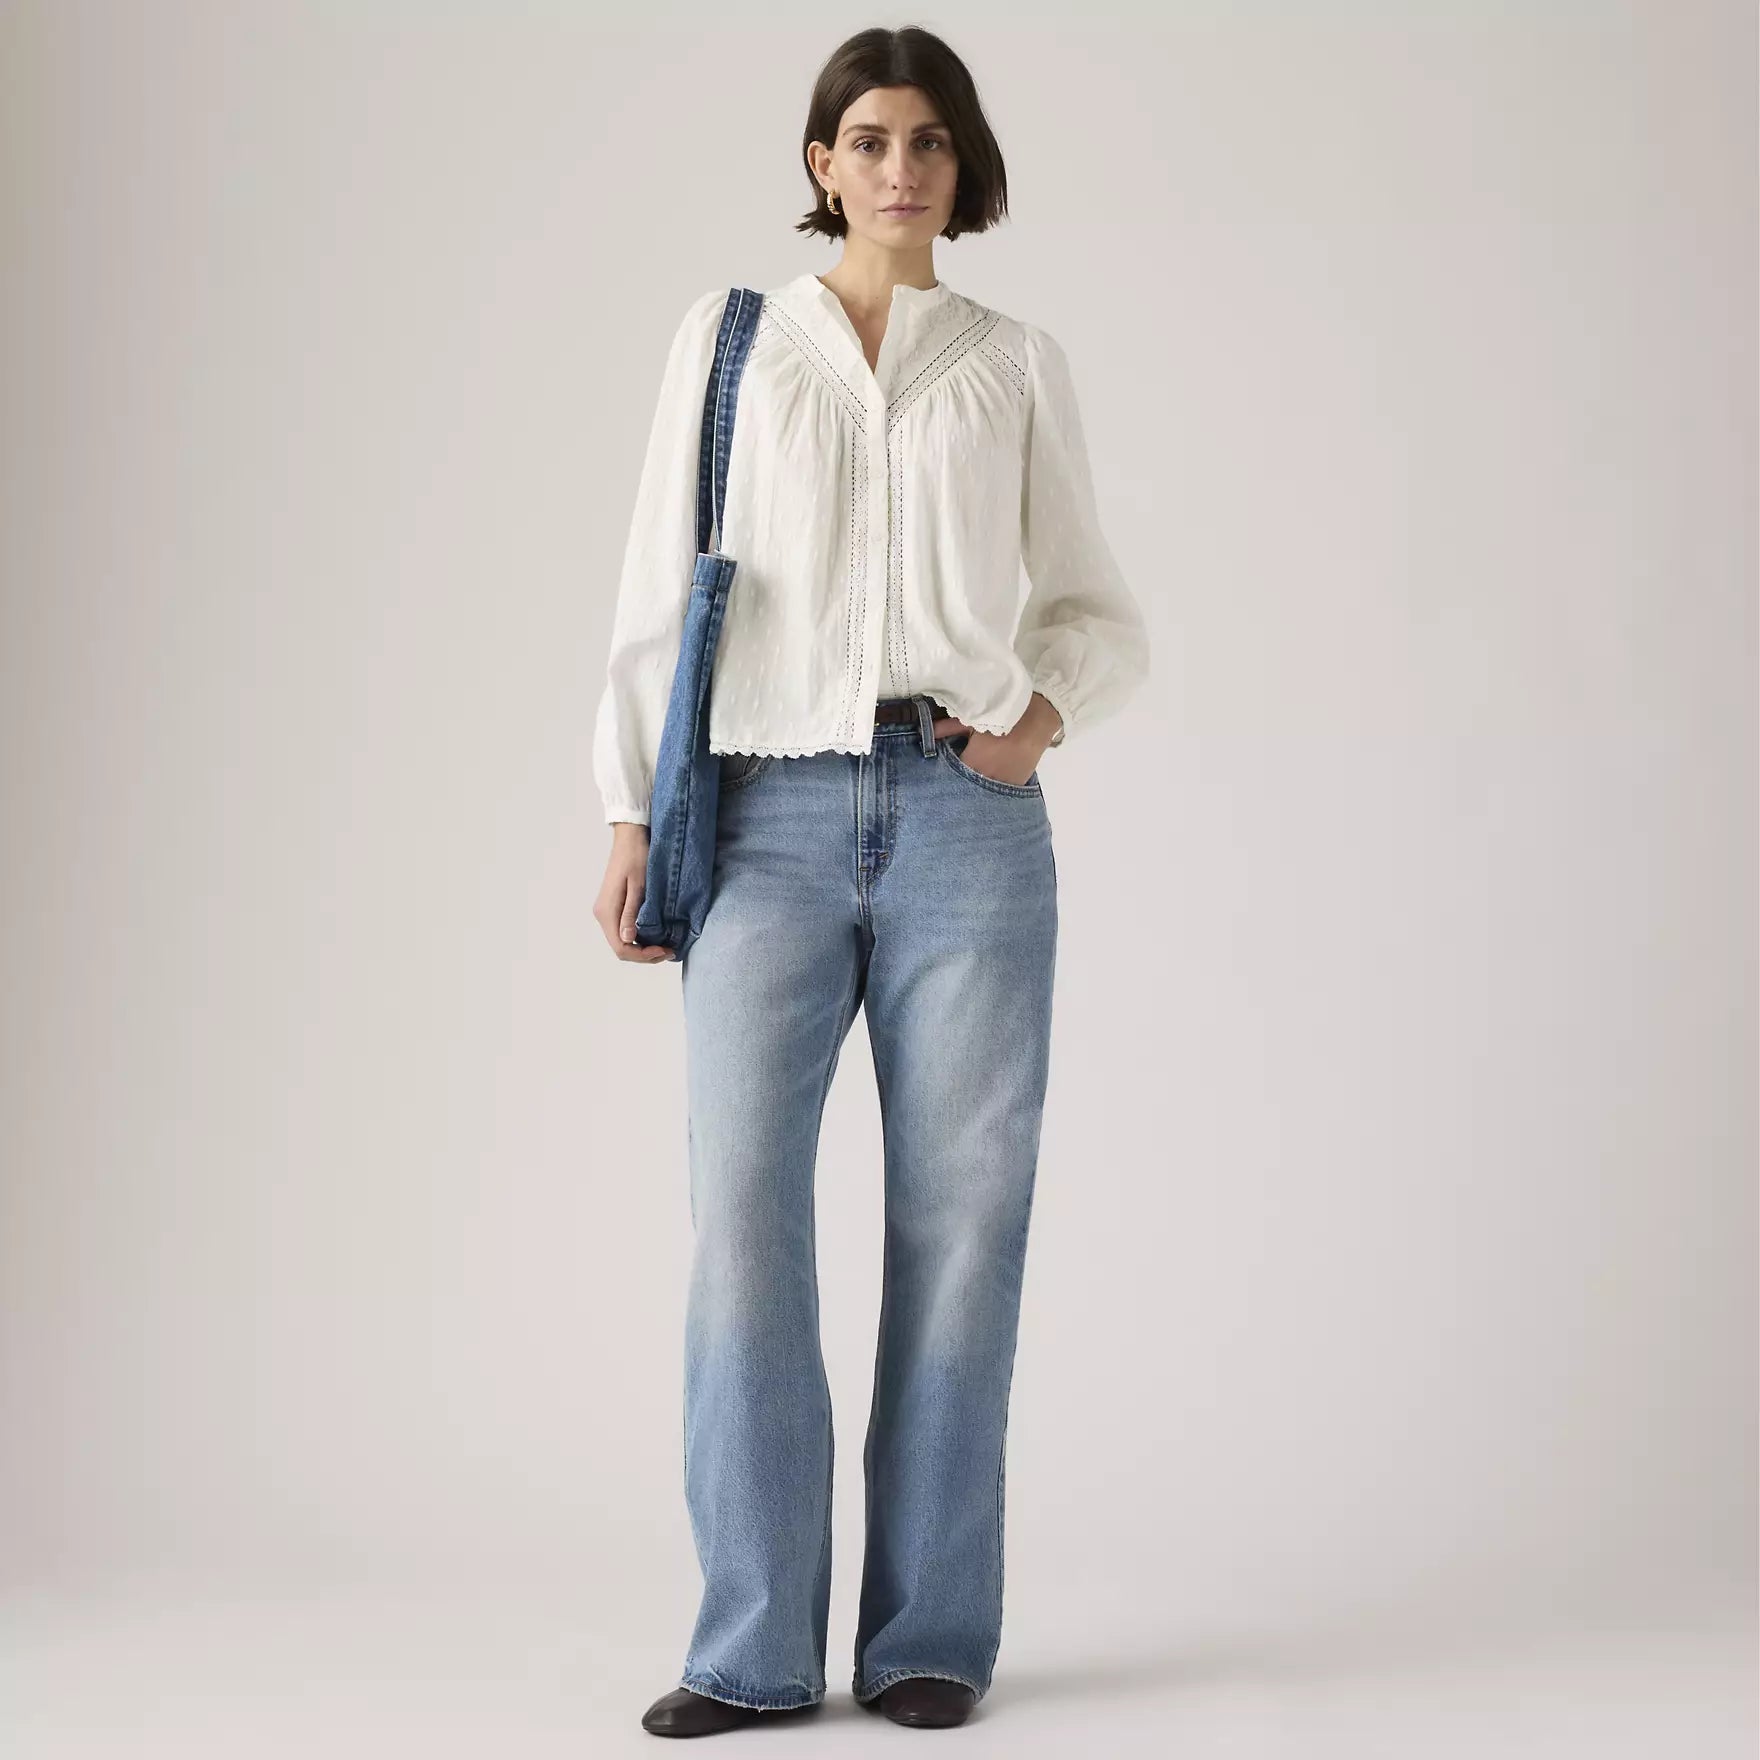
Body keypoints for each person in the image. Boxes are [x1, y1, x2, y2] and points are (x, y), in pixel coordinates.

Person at [591, 25, 1150, 1738]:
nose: (900, 167)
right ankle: (752, 1647)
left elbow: (1094, 606)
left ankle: (928, 1638)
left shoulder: (1016, 363)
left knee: (963, 1231)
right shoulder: (730, 342)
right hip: (759, 814)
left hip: (966, 823)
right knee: (743, 1227)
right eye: (869, 137)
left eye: (930, 140)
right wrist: (628, 808)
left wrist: (1034, 725)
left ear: (963, 167)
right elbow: (656, 580)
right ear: (821, 160)